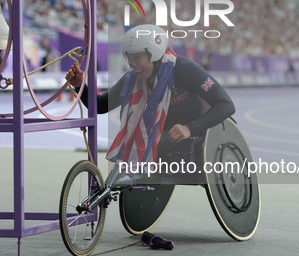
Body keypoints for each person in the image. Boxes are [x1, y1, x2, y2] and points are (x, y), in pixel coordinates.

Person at [65, 24, 235, 164]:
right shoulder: (134, 77)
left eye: (137, 57)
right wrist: (81, 86)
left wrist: (190, 128)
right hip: (166, 137)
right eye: (129, 58)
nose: (132, 64)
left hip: (201, 131)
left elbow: (226, 105)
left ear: (154, 54)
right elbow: (101, 106)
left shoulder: (184, 68)